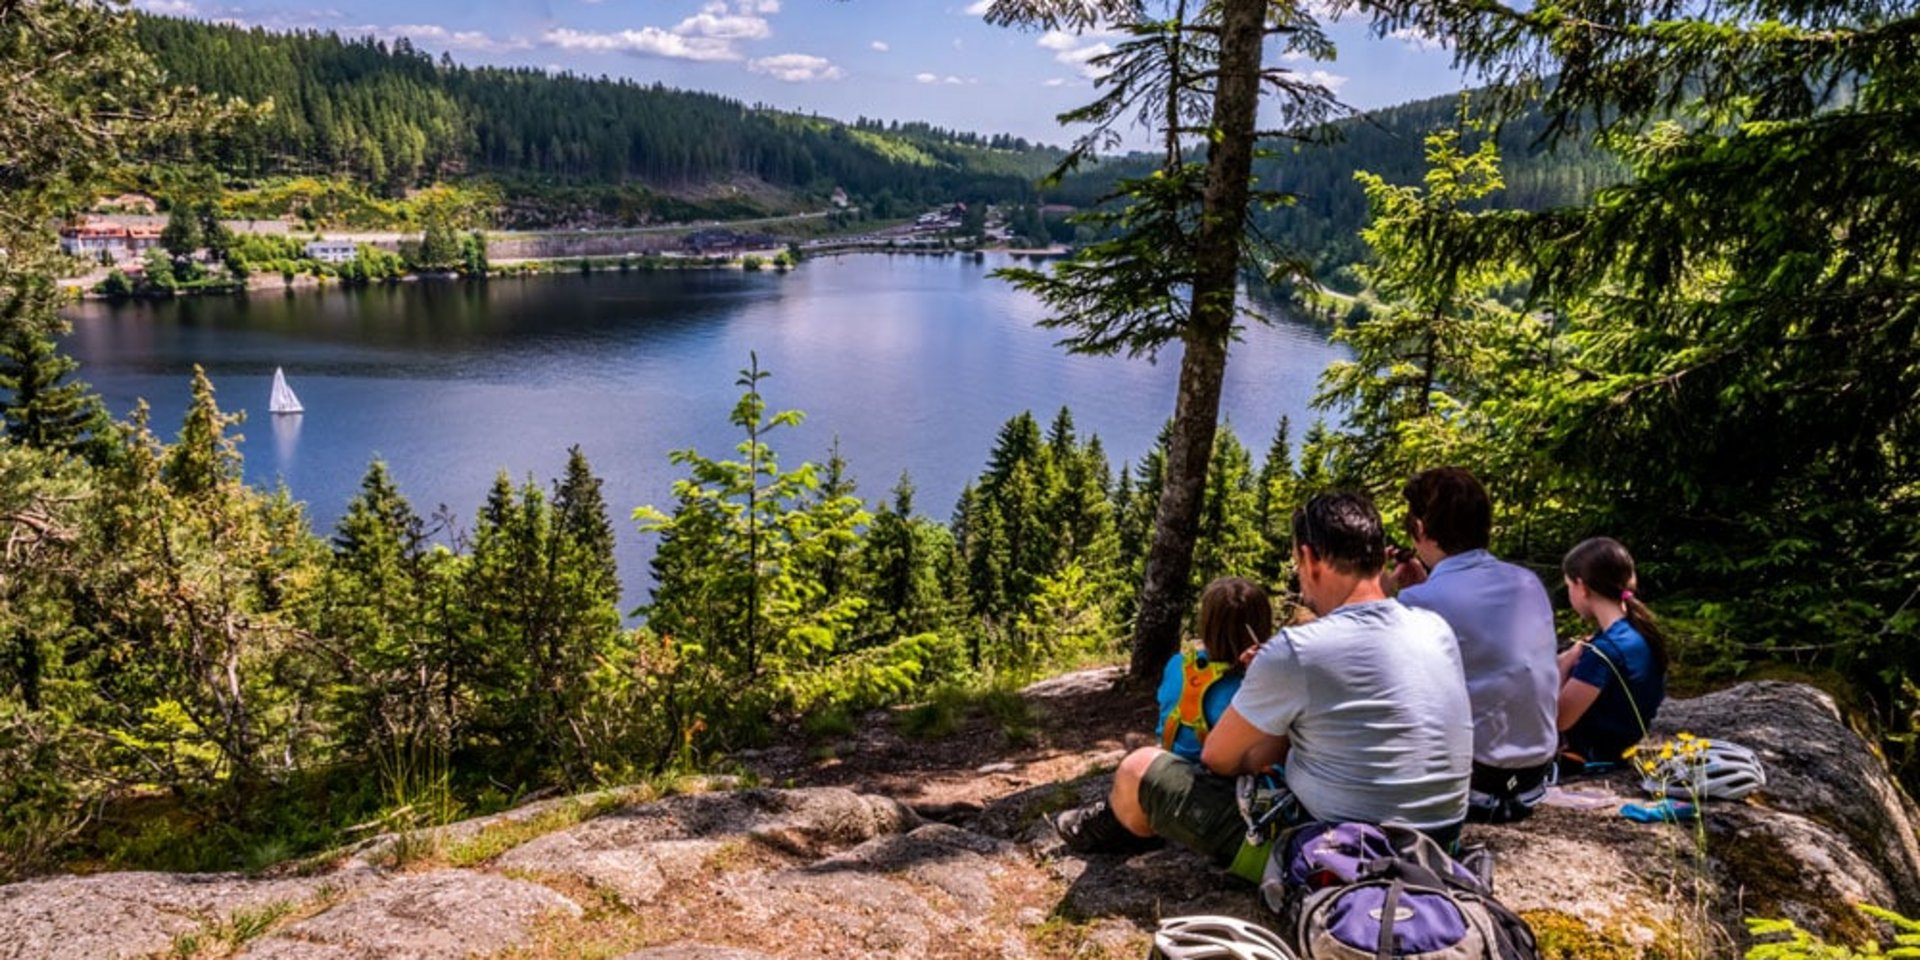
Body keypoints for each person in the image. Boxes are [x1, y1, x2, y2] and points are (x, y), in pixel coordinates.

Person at [1057, 492, 1473, 878]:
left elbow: (1219, 759)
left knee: (1138, 768)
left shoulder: (1298, 649)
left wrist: (1269, 690)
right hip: (1439, 850)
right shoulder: (1435, 629)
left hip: (1341, 860)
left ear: (1310, 558)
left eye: (1296, 566)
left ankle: (1117, 822)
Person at [1050, 577, 1273, 854]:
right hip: (1226, 788)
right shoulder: (1255, 689)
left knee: (1140, 766)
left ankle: (1117, 821)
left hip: (1178, 771)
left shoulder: (1178, 665)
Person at [1392, 467, 1559, 824]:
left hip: (1473, 785)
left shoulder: (1418, 601)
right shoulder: (1528, 582)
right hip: (1534, 778)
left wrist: (1384, 595)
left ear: (1420, 529)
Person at [1557, 536, 1668, 766]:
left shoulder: (1604, 651)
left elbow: (1558, 720)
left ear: (1582, 587)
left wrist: (1566, 664)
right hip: (1617, 751)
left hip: (1589, 758)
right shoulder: (1638, 633)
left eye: (1569, 586)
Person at [1157, 576, 1275, 763]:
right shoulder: (1255, 687)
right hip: (1221, 782)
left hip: (1172, 767)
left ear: (1206, 623)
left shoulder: (1176, 665)